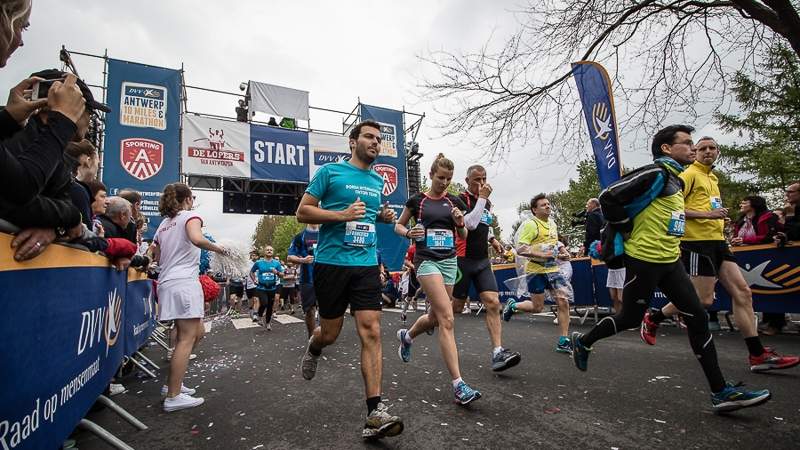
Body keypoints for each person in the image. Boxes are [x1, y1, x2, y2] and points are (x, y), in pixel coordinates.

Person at [571, 125, 771, 412]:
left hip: (670, 260)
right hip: (644, 259)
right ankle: (584, 341)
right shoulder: (657, 172)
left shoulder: (676, 179)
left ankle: (721, 392)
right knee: (629, 317)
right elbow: (608, 197)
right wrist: (625, 228)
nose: (693, 148)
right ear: (666, 148)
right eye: (687, 143)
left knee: (698, 317)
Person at [639, 138, 797, 372]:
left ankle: (757, 355)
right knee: (704, 300)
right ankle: (654, 318)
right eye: (702, 149)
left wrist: (718, 220)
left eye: (712, 148)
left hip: (718, 242)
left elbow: (708, 207)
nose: (707, 152)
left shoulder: (712, 177)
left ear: (718, 152)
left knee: (743, 293)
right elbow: (672, 208)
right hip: (696, 243)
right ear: (694, 153)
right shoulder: (688, 175)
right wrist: (709, 215)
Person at [296, 120, 402, 440]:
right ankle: (315, 345)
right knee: (330, 333)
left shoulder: (376, 180)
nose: (375, 142)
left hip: (366, 264)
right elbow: (303, 212)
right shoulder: (330, 173)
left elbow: (367, 215)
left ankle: (375, 413)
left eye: (379, 139)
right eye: (369, 137)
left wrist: (382, 216)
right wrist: (341, 215)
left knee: (371, 330)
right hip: (331, 263)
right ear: (353, 142)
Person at [395, 154, 482, 405]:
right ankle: (458, 385)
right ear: (431, 174)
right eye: (440, 177)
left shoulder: (454, 202)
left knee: (434, 317)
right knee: (447, 318)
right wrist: (409, 232)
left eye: (448, 179)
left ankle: (407, 336)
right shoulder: (417, 201)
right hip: (426, 262)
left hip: (449, 262)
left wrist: (459, 222)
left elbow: (463, 234)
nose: (444, 182)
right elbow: (398, 226)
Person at [150, 182, 228, 412]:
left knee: (196, 332)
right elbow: (196, 239)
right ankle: (173, 396)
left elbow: (154, 254)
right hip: (184, 282)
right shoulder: (190, 217)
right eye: (192, 197)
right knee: (186, 338)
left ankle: (172, 384)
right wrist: (220, 249)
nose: (193, 201)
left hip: (167, 282)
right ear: (187, 199)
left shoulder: (163, 224)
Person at [451, 164, 521, 371]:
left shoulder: (486, 202)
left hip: (482, 261)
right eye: (477, 180)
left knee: (493, 302)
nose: (482, 183)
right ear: (467, 181)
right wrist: (482, 198)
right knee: (454, 309)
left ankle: (498, 352)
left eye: (484, 179)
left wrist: (493, 239)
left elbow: (483, 224)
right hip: (462, 260)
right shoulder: (459, 199)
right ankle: (412, 333)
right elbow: (469, 224)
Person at [503, 193, 573, 353]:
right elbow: (520, 249)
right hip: (535, 271)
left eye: (548, 204)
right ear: (534, 210)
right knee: (537, 307)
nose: (548, 206)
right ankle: (513, 305)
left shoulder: (553, 224)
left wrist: (562, 254)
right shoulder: (531, 225)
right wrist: (542, 255)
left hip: (553, 270)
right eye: (543, 205)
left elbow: (552, 247)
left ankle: (563, 341)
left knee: (563, 302)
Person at [287, 223, 320, 337]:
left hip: (326, 278)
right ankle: (311, 338)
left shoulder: (326, 234)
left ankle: (323, 335)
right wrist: (303, 260)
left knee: (327, 310)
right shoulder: (300, 237)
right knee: (310, 310)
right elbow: (290, 257)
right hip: (307, 279)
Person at [250, 245, 283, 330]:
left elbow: (282, 275)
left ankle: (268, 323)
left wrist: (277, 272)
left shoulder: (277, 263)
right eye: (267, 250)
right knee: (264, 303)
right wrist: (254, 279)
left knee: (270, 306)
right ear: (264, 252)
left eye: (271, 250)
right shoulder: (259, 262)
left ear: (273, 252)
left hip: (272, 288)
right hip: (261, 287)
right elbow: (251, 272)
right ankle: (260, 315)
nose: (269, 251)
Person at [245, 250, 260, 320]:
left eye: (255, 255)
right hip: (249, 284)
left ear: (257, 256)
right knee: (250, 300)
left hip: (257, 284)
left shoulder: (260, 263)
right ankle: (251, 309)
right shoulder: (247, 263)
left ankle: (255, 314)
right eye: (252, 255)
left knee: (256, 299)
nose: (253, 257)